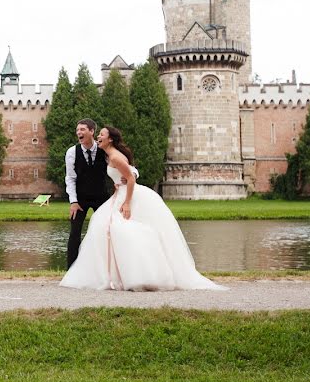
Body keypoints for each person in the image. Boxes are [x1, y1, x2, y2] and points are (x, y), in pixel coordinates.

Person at [61, 126, 225, 291]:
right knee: (102, 228)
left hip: (125, 196)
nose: (98, 137)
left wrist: (126, 200)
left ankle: (134, 273)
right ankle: (110, 273)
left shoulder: (113, 156)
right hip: (112, 195)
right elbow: (129, 171)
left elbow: (130, 175)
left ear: (109, 139)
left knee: (120, 230)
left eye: (101, 134)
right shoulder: (103, 153)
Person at [64, 118, 113, 268]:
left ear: (92, 131)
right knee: (74, 234)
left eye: (83, 129)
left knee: (107, 232)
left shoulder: (103, 150)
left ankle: (107, 267)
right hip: (80, 199)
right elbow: (70, 178)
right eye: (78, 130)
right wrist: (73, 201)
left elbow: (120, 165)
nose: (79, 132)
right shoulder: (72, 152)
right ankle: (71, 269)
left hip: (101, 197)